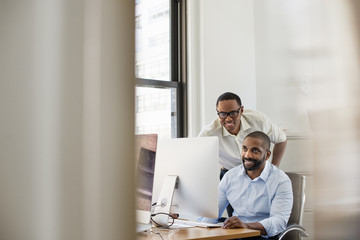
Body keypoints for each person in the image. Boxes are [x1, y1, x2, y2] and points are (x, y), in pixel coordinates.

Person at [198, 92, 287, 216]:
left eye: (233, 113)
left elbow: (281, 139)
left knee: (264, 216)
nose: (228, 119)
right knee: (235, 222)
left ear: (241, 110)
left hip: (260, 174)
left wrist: (274, 168)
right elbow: (197, 159)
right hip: (230, 175)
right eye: (223, 114)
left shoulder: (259, 121)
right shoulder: (209, 133)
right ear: (217, 112)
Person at [202, 131, 293, 239]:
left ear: (267, 155)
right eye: (245, 148)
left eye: (255, 150)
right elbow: (213, 213)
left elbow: (279, 222)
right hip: (235, 234)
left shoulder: (280, 181)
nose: (247, 155)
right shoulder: (230, 177)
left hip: (262, 236)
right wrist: (195, 227)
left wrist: (246, 226)